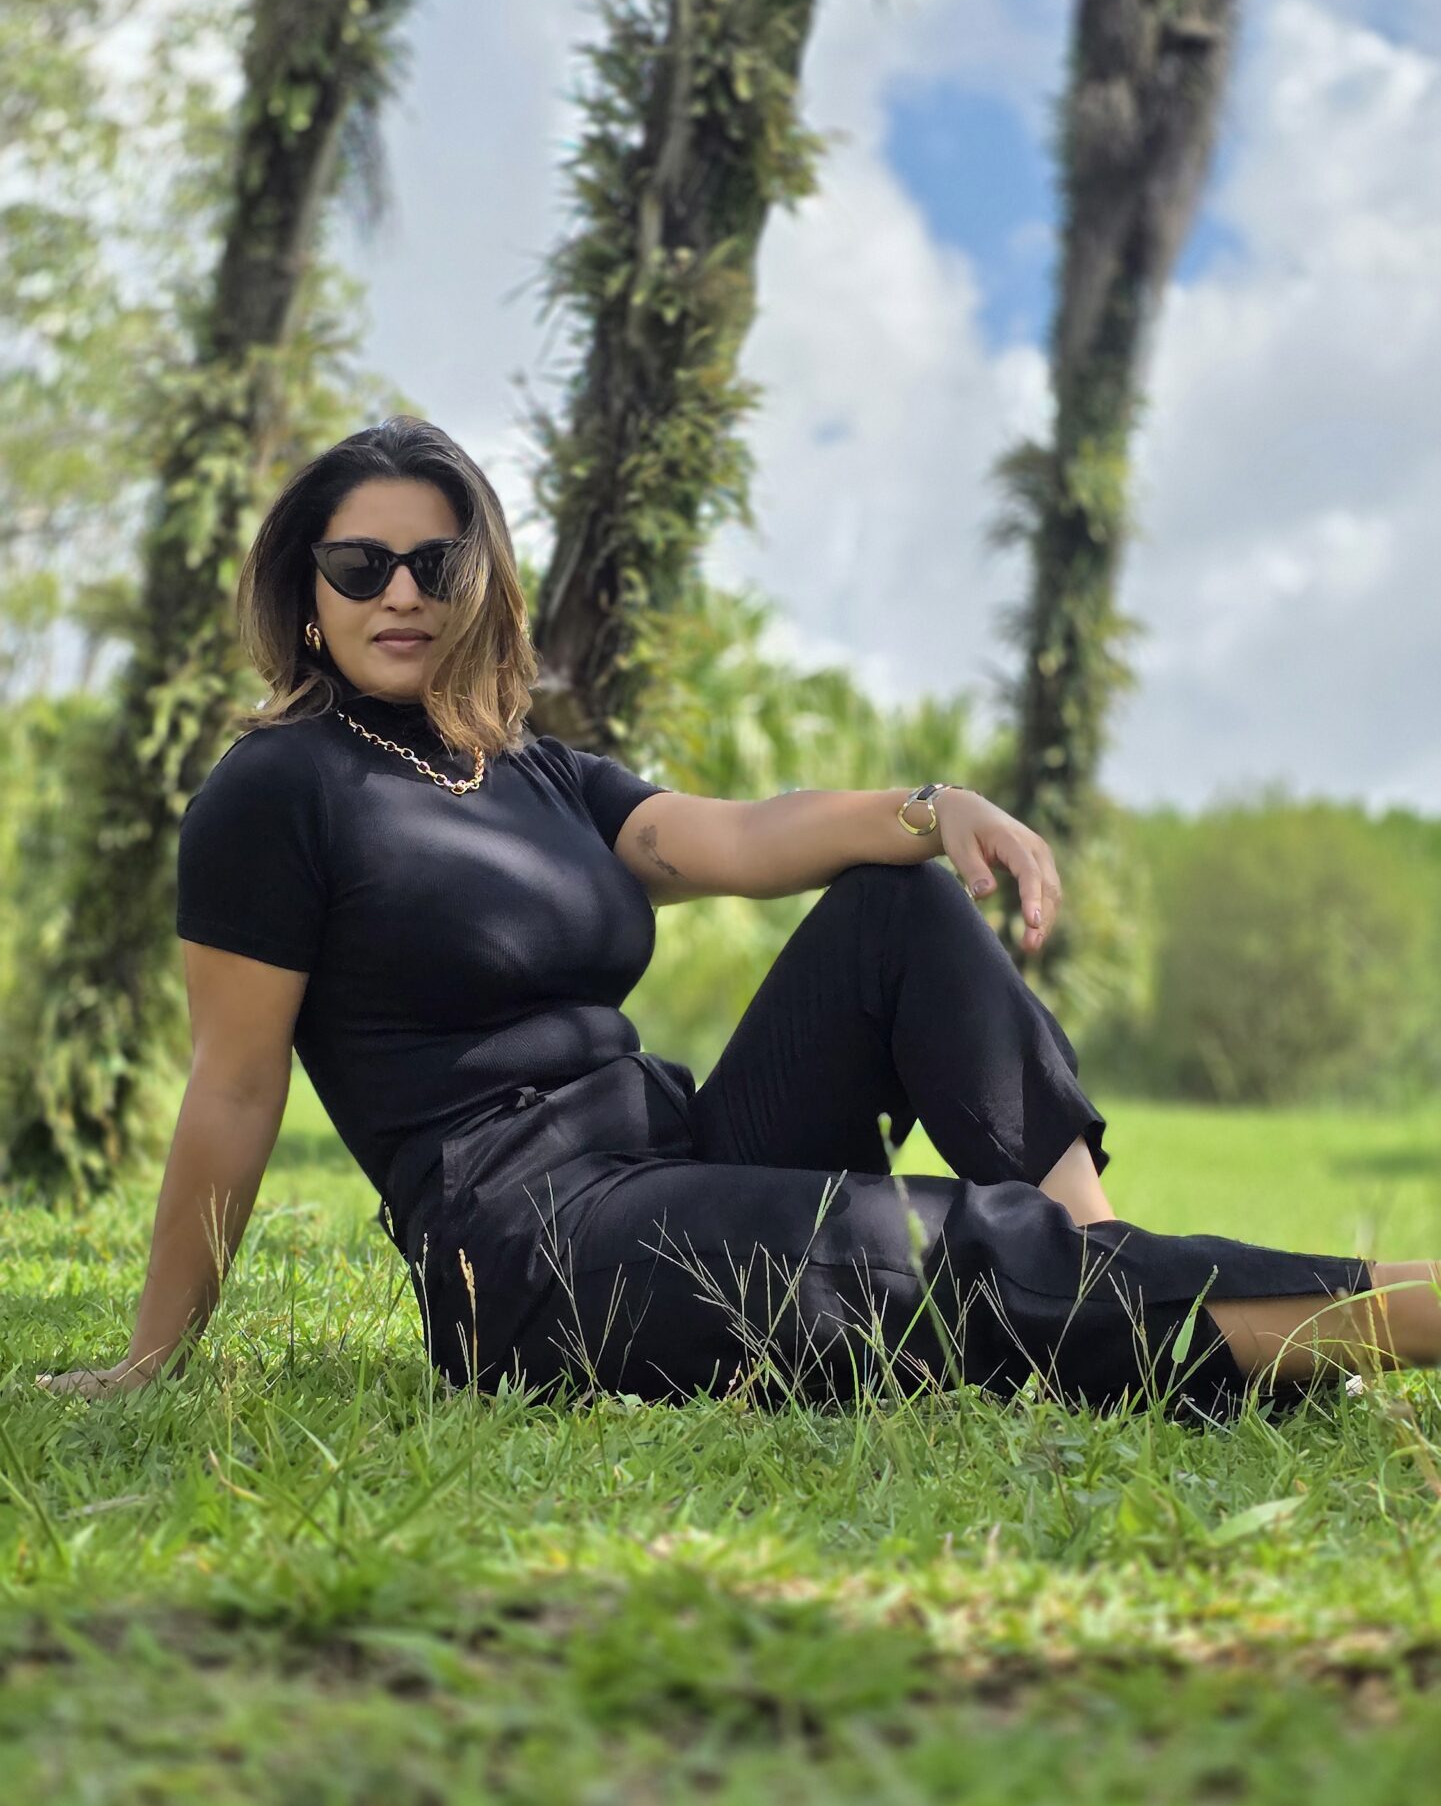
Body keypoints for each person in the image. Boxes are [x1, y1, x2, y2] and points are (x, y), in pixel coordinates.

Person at [37, 416, 1441, 1412]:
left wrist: (934, 807)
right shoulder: (276, 789)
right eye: (360, 566)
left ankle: (1101, 1259)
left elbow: (745, 836)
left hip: (675, 1154)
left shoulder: (539, 775)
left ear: (481, 587)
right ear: (307, 594)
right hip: (532, 1254)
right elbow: (233, 1086)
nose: (399, 593)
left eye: (435, 564)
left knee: (897, 907)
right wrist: (154, 1360)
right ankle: (1391, 1311)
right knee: (914, 1252)